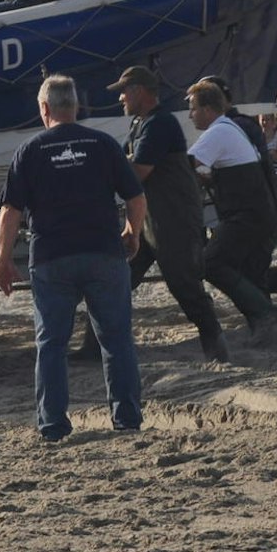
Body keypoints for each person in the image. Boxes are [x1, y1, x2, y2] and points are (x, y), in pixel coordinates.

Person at [0, 75, 146, 440]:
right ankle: (126, 419)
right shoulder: (103, 144)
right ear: (75, 107)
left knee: (51, 344)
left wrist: (3, 258)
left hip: (51, 256)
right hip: (102, 252)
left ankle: (53, 425)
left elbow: (10, 210)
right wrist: (132, 232)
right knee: (116, 340)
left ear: (44, 109)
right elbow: (136, 196)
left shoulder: (30, 150)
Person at [110, 65, 229, 363]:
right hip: (150, 221)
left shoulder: (159, 124)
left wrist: (108, 170)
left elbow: (137, 172)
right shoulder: (141, 123)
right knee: (116, 280)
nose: (121, 98)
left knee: (184, 285)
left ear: (139, 91)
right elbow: (120, 160)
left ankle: (216, 346)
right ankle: (95, 346)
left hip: (173, 220)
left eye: (124, 92)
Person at [184, 81, 277, 339]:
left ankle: (266, 314)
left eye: (193, 109)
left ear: (208, 109)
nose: (190, 115)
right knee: (249, 273)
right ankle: (267, 330)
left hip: (247, 216)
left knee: (211, 262)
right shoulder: (230, 127)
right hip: (258, 213)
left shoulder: (217, 131)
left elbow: (186, 166)